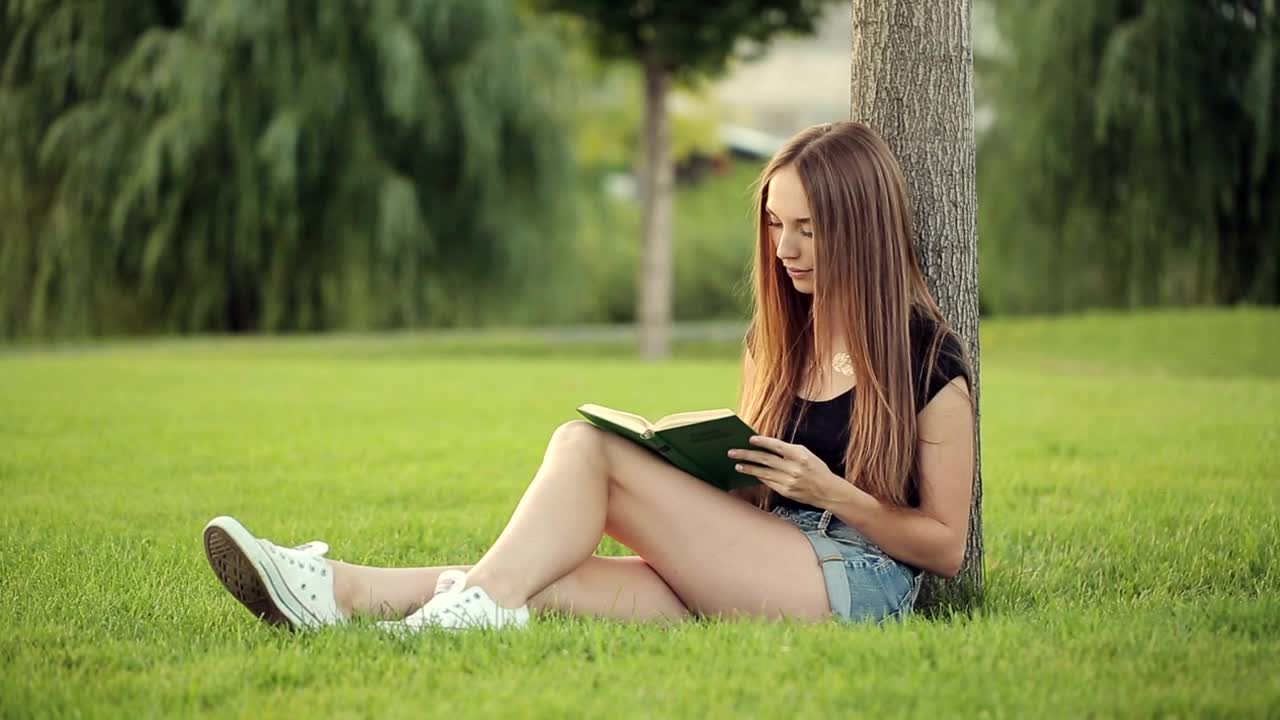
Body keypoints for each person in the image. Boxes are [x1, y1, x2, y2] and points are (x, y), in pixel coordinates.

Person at [202, 121, 976, 631]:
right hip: (767, 555)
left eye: (807, 229)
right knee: (543, 582)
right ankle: (335, 589)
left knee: (587, 448)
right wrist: (709, 469)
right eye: (775, 224)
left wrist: (829, 491)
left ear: (860, 228)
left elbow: (943, 546)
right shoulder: (776, 342)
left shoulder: (928, 360)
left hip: (855, 586)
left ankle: (445, 609)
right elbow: (752, 497)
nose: (786, 248)